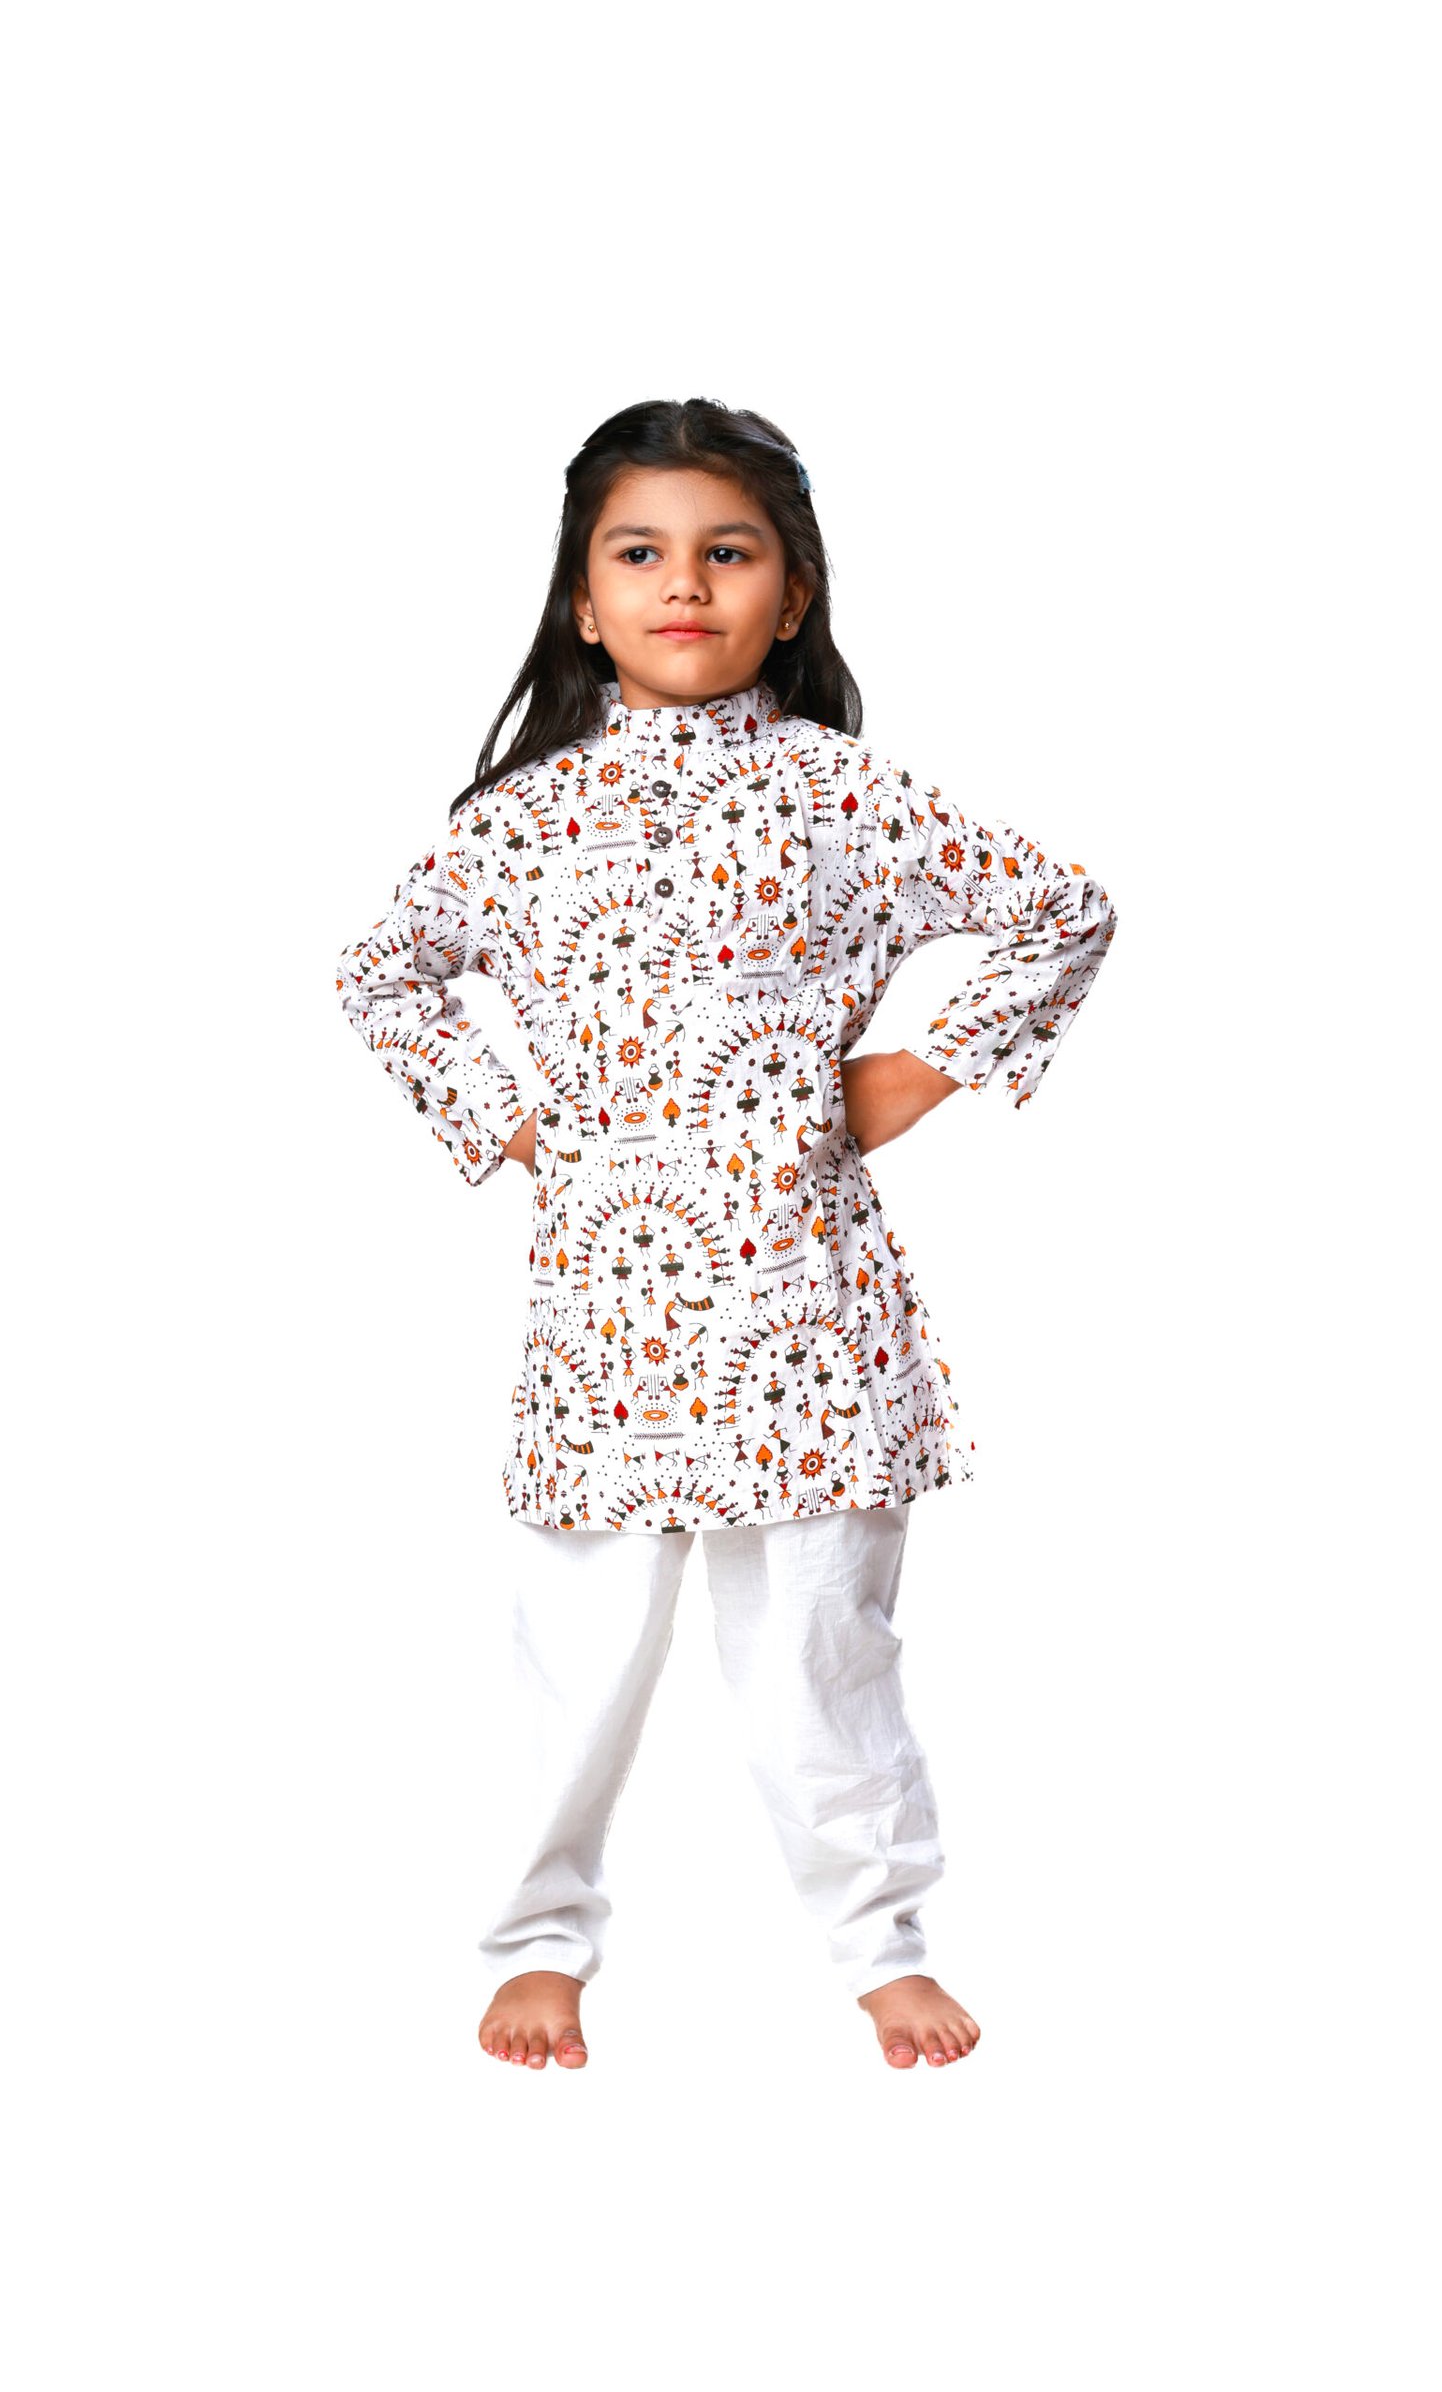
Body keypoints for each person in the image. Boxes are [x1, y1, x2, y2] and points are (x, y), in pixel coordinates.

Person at [333, 397, 1119, 2072]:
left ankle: (881, 1944)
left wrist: (919, 1069)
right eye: (640, 552)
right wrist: (511, 1120)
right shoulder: (522, 820)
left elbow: (1064, 907)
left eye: (727, 551)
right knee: (573, 1660)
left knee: (825, 1650)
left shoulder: (848, 796)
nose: (683, 583)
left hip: (804, 1312)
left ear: (792, 590)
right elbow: (381, 972)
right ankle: (539, 1944)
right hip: (607, 1317)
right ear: (583, 598)